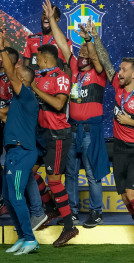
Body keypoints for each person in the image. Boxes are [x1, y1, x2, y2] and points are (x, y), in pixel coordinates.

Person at [91, 24, 134, 249]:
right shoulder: (119, 88)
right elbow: (106, 62)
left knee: (132, 193)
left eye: (123, 70)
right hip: (119, 149)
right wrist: (94, 37)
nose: (119, 72)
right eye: (120, 69)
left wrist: (130, 122)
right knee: (124, 197)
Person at [42, 0, 110, 228]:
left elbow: (98, 59)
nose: (81, 53)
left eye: (85, 51)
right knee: (70, 173)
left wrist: (90, 40)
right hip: (72, 129)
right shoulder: (72, 69)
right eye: (79, 50)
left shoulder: (99, 74)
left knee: (91, 174)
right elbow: (63, 45)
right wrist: (51, 19)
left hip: (90, 130)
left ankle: (95, 212)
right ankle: (70, 212)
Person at [0, 32, 40, 255]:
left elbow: (11, 74)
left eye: (16, 74)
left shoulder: (28, 95)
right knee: (9, 197)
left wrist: (2, 49)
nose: (12, 77)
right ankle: (22, 237)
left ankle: (31, 239)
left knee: (18, 196)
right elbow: (4, 116)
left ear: (23, 80)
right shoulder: (16, 101)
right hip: (12, 151)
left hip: (24, 151)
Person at [30, 43, 78, 246]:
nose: (36, 61)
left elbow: (59, 104)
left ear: (47, 58)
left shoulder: (61, 77)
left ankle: (69, 226)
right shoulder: (39, 77)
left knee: (54, 181)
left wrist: (34, 89)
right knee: (29, 172)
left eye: (38, 58)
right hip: (40, 133)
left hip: (56, 135)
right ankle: (50, 208)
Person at [22, 4, 72, 70]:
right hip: (35, 79)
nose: (46, 16)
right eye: (44, 13)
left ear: (57, 19)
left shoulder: (66, 42)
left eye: (50, 14)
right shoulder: (30, 39)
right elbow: (25, 65)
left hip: (53, 80)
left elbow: (68, 69)